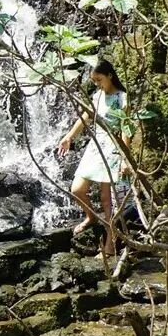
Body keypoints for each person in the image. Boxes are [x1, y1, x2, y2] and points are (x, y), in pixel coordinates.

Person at [57, 60, 131, 257]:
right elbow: (85, 117)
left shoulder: (122, 98)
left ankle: (110, 244)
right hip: (95, 147)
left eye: (99, 80)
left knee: (107, 200)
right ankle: (91, 216)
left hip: (113, 149)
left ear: (110, 76)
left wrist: (124, 157)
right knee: (77, 189)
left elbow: (126, 128)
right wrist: (69, 137)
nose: (97, 84)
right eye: (94, 81)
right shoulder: (97, 96)